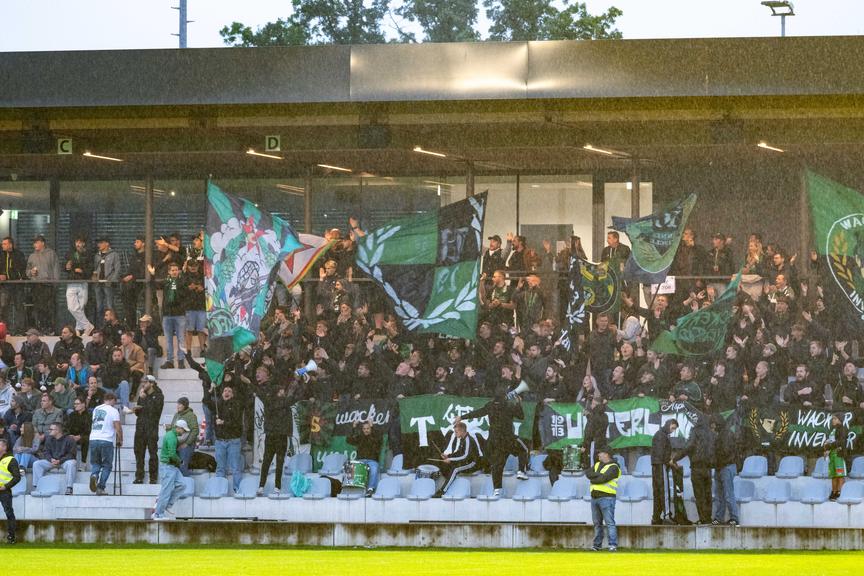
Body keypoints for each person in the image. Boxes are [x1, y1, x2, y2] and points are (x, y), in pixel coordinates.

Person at [458, 387, 529, 498]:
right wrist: (518, 403)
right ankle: (521, 471)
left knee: (497, 465)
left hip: (495, 440)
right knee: (523, 450)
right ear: (505, 396)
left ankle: (497, 490)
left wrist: (462, 417)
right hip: (508, 438)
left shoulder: (490, 405)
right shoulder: (509, 405)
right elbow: (521, 416)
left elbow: (478, 413)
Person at [256, 374, 296, 497]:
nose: (283, 392)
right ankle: (277, 487)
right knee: (279, 462)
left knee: (266, 462)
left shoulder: (268, 402)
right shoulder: (284, 402)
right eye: (282, 391)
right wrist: (296, 382)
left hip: (271, 435)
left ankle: (261, 486)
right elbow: (293, 395)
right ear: (278, 392)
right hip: (280, 435)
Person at [673, 416, 715, 525]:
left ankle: (703, 519)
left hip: (697, 467)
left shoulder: (695, 432)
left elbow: (688, 447)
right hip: (708, 468)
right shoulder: (711, 433)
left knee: (699, 494)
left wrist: (674, 458)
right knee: (707, 494)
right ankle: (708, 517)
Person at [151, 419, 190, 521]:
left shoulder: (171, 435)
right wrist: (180, 462)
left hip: (171, 466)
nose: (184, 432)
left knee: (182, 485)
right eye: (183, 430)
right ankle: (158, 514)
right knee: (166, 490)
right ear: (179, 428)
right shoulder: (172, 437)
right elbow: (172, 454)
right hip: (168, 466)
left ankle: (166, 505)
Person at [585, 447, 621, 552]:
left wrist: (595, 478)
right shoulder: (597, 464)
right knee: (597, 523)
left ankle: (612, 545)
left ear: (607, 454)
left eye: (600, 453)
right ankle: (597, 545)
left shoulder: (614, 467)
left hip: (607, 497)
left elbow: (603, 479)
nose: (598, 455)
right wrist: (598, 476)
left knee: (609, 522)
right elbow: (588, 474)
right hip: (595, 498)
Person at [88, 392, 123, 496]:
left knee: (95, 463)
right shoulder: (113, 411)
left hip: (93, 438)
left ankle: (94, 475)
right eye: (114, 402)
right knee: (107, 465)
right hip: (106, 439)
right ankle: (100, 487)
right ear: (112, 399)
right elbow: (117, 427)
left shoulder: (96, 409)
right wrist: (120, 439)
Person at [132, 375, 164, 484]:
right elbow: (139, 412)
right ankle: (139, 476)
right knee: (139, 453)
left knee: (152, 453)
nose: (143, 384)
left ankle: (153, 477)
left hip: (151, 428)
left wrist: (145, 399)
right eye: (142, 382)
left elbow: (155, 411)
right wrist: (137, 408)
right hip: (140, 427)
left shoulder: (159, 395)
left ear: (152, 383)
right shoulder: (142, 395)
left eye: (145, 382)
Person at [26, 234, 60, 334]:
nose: (34, 245)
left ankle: (50, 328)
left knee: (48, 308)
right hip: (36, 285)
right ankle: (40, 327)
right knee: (38, 308)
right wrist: (30, 273)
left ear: (42, 243)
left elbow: (56, 269)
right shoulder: (32, 256)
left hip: (48, 285)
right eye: (34, 243)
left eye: (36, 242)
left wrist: (55, 284)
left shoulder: (51, 254)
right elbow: (27, 271)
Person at [32, 422, 77, 495]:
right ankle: (37, 486)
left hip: (64, 462)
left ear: (58, 430)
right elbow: (46, 452)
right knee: (37, 464)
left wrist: (60, 461)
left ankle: (69, 488)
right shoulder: (49, 439)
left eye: (51, 429)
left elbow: (72, 454)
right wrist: (51, 459)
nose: (49, 431)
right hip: (52, 461)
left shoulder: (69, 439)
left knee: (71, 463)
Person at [436, 420, 479, 497]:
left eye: (456, 432)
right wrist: (448, 456)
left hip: (472, 463)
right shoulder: (463, 439)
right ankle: (451, 481)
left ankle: (442, 491)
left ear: (462, 431)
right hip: (466, 462)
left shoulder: (468, 440)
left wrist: (450, 460)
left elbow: (465, 456)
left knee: (455, 469)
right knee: (444, 465)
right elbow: (459, 452)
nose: (455, 434)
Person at [214, 385, 244, 492]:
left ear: (232, 394)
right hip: (220, 440)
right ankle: (219, 490)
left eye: (229, 391)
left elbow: (236, 423)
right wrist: (210, 389)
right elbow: (207, 400)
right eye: (225, 390)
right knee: (220, 467)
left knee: (235, 467)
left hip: (233, 440)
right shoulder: (217, 404)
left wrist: (223, 423)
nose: (227, 392)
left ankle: (238, 490)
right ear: (222, 394)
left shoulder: (236, 404)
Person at [64, 235, 95, 337]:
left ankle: (78, 330)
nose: (77, 244)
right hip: (72, 281)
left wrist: (82, 271)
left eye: (80, 242)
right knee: (72, 307)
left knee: (80, 307)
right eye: (76, 242)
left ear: (84, 243)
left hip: (83, 282)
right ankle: (87, 326)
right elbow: (64, 266)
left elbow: (91, 268)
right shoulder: (70, 253)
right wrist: (67, 267)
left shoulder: (89, 254)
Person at [650, 418, 679, 525]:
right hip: (661, 465)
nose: (672, 430)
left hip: (655, 465)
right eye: (673, 428)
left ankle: (655, 517)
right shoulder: (662, 436)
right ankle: (667, 515)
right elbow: (663, 454)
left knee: (657, 492)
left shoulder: (658, 434)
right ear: (669, 424)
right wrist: (671, 463)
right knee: (664, 491)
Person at [712, 415, 739, 526]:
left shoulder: (726, 434)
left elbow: (725, 452)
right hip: (721, 466)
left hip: (726, 466)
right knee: (719, 495)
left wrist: (714, 459)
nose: (712, 427)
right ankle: (719, 518)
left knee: (728, 494)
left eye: (713, 424)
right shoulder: (721, 434)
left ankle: (734, 518)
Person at [347, 418, 383, 497]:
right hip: (361, 460)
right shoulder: (360, 438)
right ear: (362, 430)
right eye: (364, 429)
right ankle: (353, 488)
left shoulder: (375, 438)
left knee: (374, 469)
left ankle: (370, 489)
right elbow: (349, 440)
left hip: (372, 461)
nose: (366, 430)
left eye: (368, 428)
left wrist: (372, 426)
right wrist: (353, 427)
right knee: (352, 466)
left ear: (370, 429)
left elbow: (379, 439)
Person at [160, 263, 187, 369]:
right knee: (168, 339)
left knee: (181, 338)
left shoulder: (182, 281)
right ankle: (169, 361)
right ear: (169, 272)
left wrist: (183, 275)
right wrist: (152, 274)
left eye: (176, 270)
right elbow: (155, 285)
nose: (174, 272)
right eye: (172, 270)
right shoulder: (166, 282)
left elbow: (185, 292)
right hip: (167, 314)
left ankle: (181, 361)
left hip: (180, 314)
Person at [0, 236, 27, 334]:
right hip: (5, 286)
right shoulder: (1, 255)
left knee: (19, 307)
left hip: (17, 285)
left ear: (10, 245)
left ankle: (20, 329)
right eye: (2, 244)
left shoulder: (18, 255)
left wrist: (8, 276)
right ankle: (5, 329)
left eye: (5, 244)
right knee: (3, 307)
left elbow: (21, 270)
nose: (2, 245)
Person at [182, 258, 207, 357]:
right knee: (189, 330)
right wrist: (188, 288)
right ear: (188, 266)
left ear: (198, 266)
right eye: (191, 265)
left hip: (201, 306)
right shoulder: (184, 277)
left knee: (202, 330)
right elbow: (181, 290)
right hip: (189, 306)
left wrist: (202, 289)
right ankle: (188, 351)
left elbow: (208, 288)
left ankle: (202, 350)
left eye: (195, 265)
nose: (193, 267)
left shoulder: (203, 277)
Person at [93, 237, 121, 322]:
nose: (99, 245)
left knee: (110, 305)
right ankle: (101, 324)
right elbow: (95, 268)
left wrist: (112, 280)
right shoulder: (97, 255)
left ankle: (113, 323)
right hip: (98, 283)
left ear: (107, 243)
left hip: (108, 283)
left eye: (101, 243)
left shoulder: (114, 254)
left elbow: (117, 268)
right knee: (99, 306)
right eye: (99, 243)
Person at [0, 437, 22, 544]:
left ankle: (11, 537)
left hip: (4, 491)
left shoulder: (11, 460)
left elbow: (17, 477)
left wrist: (6, 486)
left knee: (9, 513)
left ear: (4, 447)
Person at [121, 236, 146, 326]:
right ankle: (130, 325)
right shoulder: (134, 256)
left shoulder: (146, 256)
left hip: (139, 286)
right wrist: (124, 277)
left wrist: (133, 277)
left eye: (137, 242)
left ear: (143, 243)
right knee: (128, 307)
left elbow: (144, 272)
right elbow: (130, 270)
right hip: (129, 288)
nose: (135, 244)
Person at [169, 396, 198, 476]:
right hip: (177, 444)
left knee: (183, 466)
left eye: (180, 404)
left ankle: (186, 485)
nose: (177, 406)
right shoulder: (176, 415)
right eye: (177, 404)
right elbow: (173, 427)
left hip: (186, 446)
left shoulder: (191, 415)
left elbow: (195, 430)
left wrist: (187, 443)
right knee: (177, 466)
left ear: (185, 405)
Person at [824, 413, 849, 501]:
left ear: (839, 420)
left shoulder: (842, 429)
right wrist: (826, 449)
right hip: (832, 455)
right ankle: (834, 492)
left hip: (839, 455)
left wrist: (829, 445)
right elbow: (828, 442)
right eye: (832, 419)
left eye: (834, 418)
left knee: (840, 474)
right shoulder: (832, 430)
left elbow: (841, 442)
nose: (833, 420)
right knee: (833, 475)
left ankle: (839, 492)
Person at [66, 398, 91, 465]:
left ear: (83, 404)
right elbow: (67, 427)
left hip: (84, 435)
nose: (75, 405)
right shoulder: (72, 415)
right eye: (74, 404)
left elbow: (89, 429)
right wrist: (70, 435)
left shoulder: (89, 415)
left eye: (77, 404)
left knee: (85, 439)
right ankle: (70, 461)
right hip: (72, 435)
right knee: (67, 439)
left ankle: (83, 463)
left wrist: (80, 436)